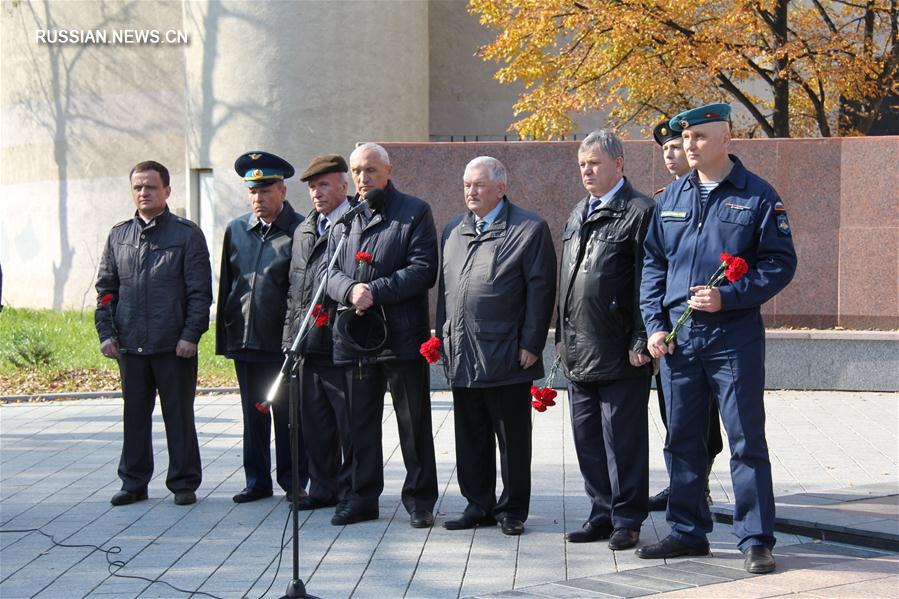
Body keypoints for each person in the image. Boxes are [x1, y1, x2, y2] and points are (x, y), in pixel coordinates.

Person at [638, 103, 797, 574]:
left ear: (726, 139)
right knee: (682, 439)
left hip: (733, 338)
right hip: (680, 343)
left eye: (700, 138)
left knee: (746, 440)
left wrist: (729, 296)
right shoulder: (670, 198)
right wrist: (655, 325)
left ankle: (755, 538)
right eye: (686, 139)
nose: (690, 146)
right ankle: (688, 532)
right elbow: (653, 266)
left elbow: (779, 263)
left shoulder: (758, 195)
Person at [437, 156, 556, 536]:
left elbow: (541, 289)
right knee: (469, 434)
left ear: (500, 188)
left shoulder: (528, 228)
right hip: (462, 350)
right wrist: (442, 335)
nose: (471, 192)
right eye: (467, 185)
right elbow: (446, 290)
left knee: (512, 437)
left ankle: (513, 509)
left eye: (479, 185)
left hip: (506, 350)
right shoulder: (455, 229)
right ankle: (478, 504)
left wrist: (532, 342)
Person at [325, 142, 439, 529]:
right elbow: (330, 273)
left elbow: (424, 269)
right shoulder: (345, 219)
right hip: (357, 339)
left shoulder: (414, 212)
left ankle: (420, 500)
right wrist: (349, 291)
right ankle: (361, 497)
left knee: (414, 422)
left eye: (370, 170)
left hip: (401, 337)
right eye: (356, 171)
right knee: (358, 424)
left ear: (388, 171)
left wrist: (375, 290)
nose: (362, 178)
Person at [557, 130, 654, 551]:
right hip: (579, 347)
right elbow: (570, 279)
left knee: (624, 440)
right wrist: (560, 337)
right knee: (587, 438)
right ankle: (600, 512)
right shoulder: (579, 211)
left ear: (618, 164)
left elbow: (648, 280)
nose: (587, 171)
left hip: (620, 350)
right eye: (582, 164)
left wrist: (641, 337)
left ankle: (628, 518)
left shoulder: (640, 211)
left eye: (594, 163)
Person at [95, 160, 212, 507]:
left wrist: (191, 335)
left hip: (173, 345)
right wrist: (106, 332)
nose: (143, 193)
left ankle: (183, 482)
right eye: (137, 187)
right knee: (134, 417)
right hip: (130, 344)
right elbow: (105, 289)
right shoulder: (119, 235)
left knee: (178, 416)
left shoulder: (186, 234)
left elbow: (199, 292)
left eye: (150, 187)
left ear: (167, 191)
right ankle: (133, 482)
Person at [217, 151, 305, 504]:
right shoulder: (237, 230)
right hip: (246, 339)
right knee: (251, 415)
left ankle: (293, 481)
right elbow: (228, 285)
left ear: (283, 191)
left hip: (281, 341)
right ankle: (256, 481)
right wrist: (227, 337)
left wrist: (295, 338)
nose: (259, 198)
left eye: (266, 190)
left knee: (287, 415)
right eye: (253, 191)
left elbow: (302, 290)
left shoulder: (300, 230)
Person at [647, 120, 724, 512]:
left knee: (703, 416)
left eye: (677, 146)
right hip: (666, 330)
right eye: (666, 150)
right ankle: (681, 485)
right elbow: (652, 267)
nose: (672, 154)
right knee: (671, 413)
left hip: (707, 330)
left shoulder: (713, 196)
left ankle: (700, 485)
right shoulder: (661, 200)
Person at [282, 154, 353, 511]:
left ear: (344, 185)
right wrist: (289, 341)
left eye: (324, 184)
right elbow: (295, 289)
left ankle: (350, 491)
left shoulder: (355, 224)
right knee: (315, 422)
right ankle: (322, 488)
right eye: (312, 187)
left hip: (340, 341)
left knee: (347, 423)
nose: (316, 193)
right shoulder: (306, 229)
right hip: (306, 341)